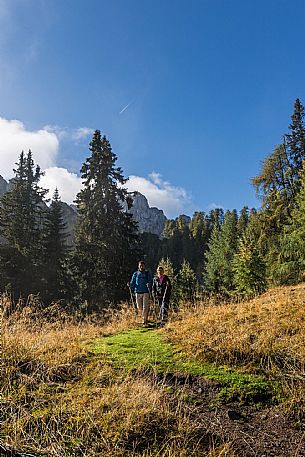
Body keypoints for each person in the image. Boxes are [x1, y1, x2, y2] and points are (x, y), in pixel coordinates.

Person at [128, 261, 152, 325]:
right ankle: (142, 318)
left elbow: (150, 281)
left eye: (142, 266)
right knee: (139, 307)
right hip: (138, 292)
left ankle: (144, 320)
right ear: (138, 266)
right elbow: (133, 282)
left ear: (144, 266)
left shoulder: (147, 273)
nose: (141, 267)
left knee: (145, 307)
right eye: (140, 266)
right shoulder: (135, 274)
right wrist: (130, 284)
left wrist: (149, 284)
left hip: (146, 292)